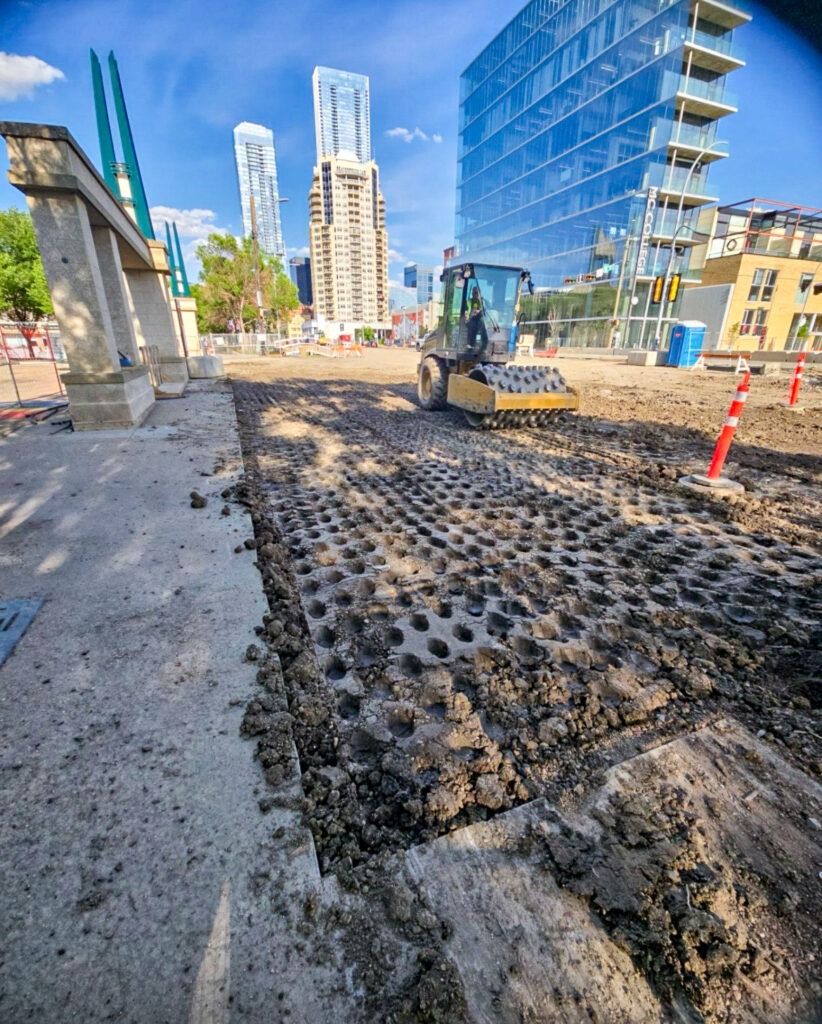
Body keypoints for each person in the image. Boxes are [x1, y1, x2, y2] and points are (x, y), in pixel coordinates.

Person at [465, 285, 488, 349]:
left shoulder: (483, 302)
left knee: (482, 323)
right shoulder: (469, 301)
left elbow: (486, 311)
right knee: (472, 325)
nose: (475, 294)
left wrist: (479, 311)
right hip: (471, 320)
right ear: (472, 293)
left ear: (480, 294)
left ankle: (483, 345)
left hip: (481, 320)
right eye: (474, 292)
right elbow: (466, 311)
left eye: (476, 293)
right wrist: (468, 316)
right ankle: (470, 344)